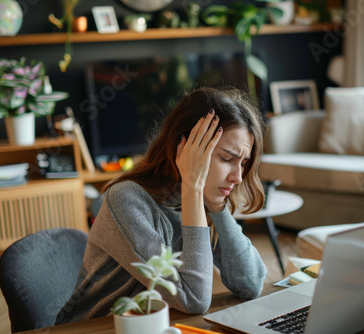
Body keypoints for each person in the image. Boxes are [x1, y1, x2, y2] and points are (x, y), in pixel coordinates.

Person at [56, 86, 268, 324]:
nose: (237, 177)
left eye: (243, 163)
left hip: (160, 325)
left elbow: (251, 284)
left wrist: (218, 207)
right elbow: (194, 299)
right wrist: (192, 188)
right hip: (96, 329)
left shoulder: (205, 199)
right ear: (185, 148)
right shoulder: (127, 200)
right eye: (226, 159)